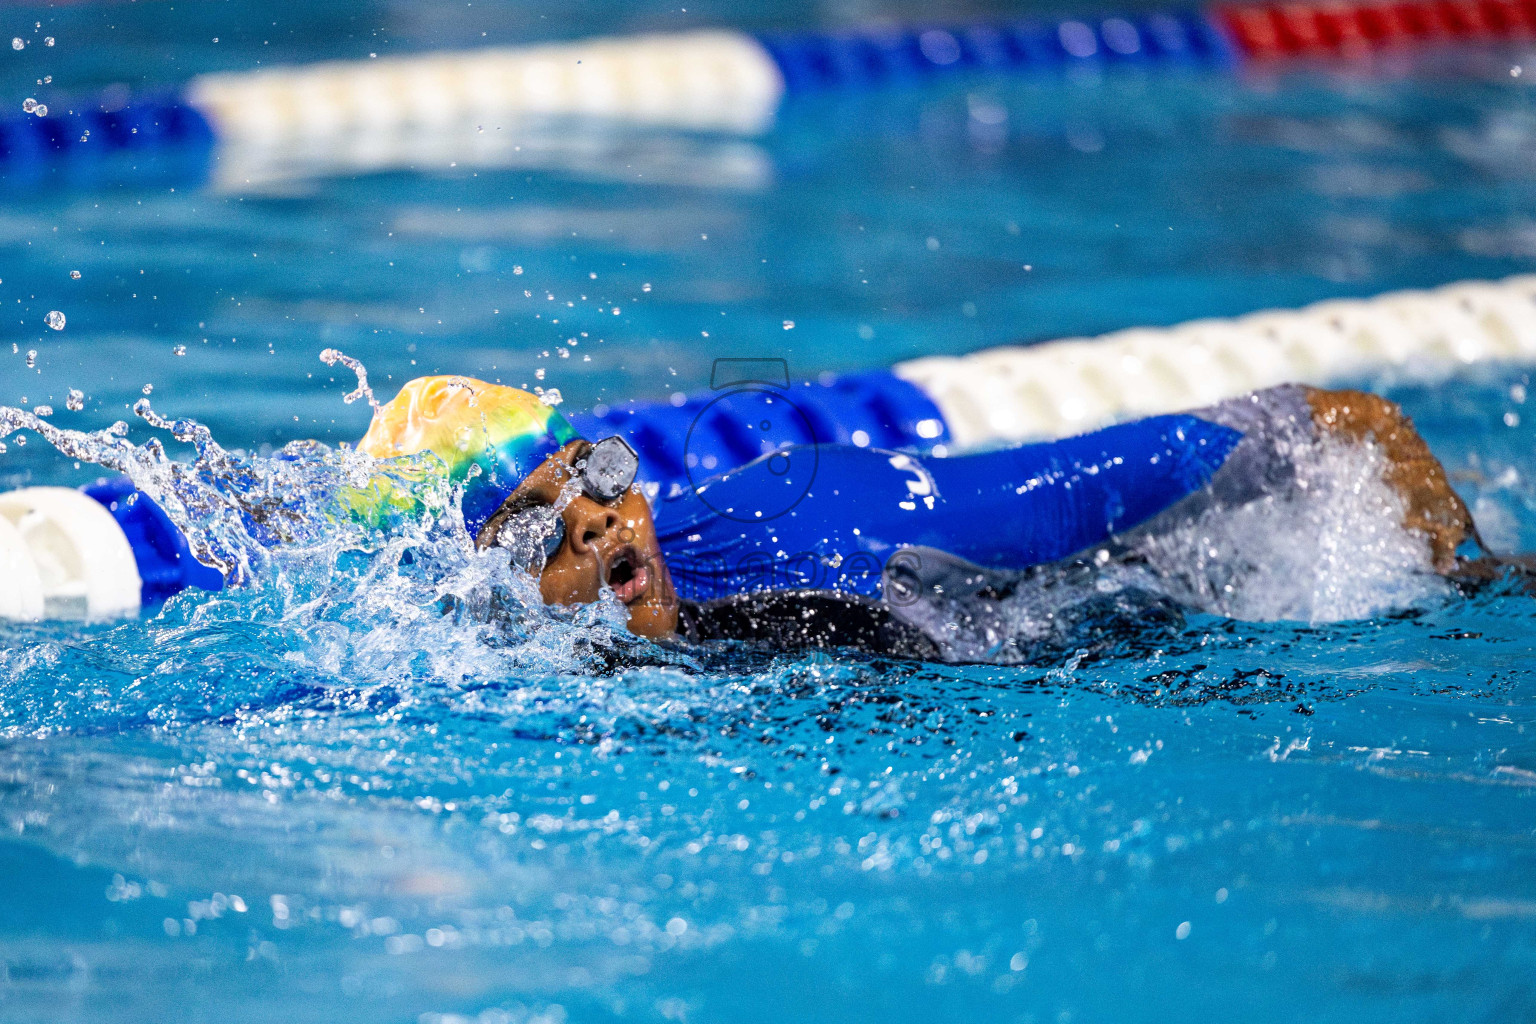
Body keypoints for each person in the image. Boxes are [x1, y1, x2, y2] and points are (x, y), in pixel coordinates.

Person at [351, 375, 1488, 660]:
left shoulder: (839, 524)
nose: (593, 527)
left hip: (1173, 598)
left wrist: (1473, 572)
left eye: (593, 478)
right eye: (540, 535)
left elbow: (1328, 423)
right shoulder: (510, 657)